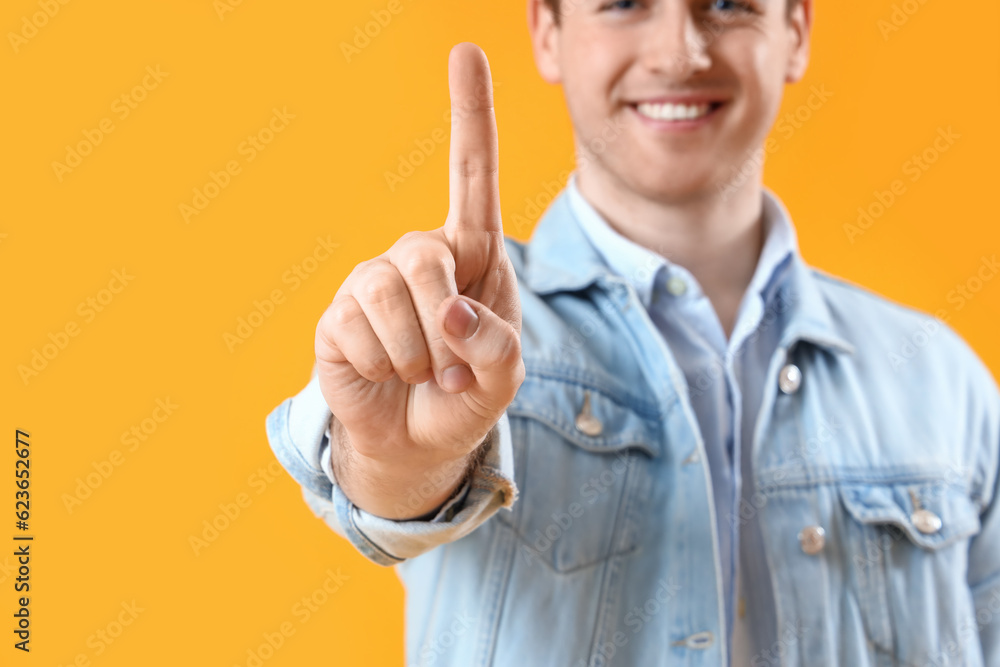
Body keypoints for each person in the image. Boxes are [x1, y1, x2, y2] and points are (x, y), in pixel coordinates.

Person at [266, 1, 1000, 664]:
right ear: (548, 34)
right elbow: (383, 486)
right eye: (623, 3)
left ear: (797, 32)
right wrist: (397, 460)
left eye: (726, 3)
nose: (680, 51)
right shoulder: (454, 338)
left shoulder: (944, 380)